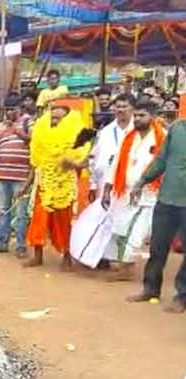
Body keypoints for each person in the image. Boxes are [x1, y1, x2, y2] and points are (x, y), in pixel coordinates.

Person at [124, 115, 186, 310]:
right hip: (167, 199)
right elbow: (160, 160)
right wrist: (142, 182)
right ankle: (150, 289)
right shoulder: (177, 129)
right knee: (157, 247)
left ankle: (182, 296)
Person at [99, 103, 165, 281]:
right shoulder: (129, 138)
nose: (136, 119)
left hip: (148, 194)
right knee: (120, 228)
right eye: (135, 115)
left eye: (141, 115)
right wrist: (107, 189)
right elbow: (115, 165)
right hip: (123, 193)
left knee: (134, 231)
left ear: (152, 116)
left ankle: (126, 268)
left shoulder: (162, 138)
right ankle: (125, 265)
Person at [69, 94, 135, 269]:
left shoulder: (140, 130)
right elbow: (94, 159)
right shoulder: (106, 132)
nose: (120, 110)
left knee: (124, 222)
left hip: (131, 184)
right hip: (105, 183)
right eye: (118, 106)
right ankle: (99, 256)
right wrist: (92, 184)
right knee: (102, 219)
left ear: (132, 109)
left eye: (124, 106)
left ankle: (123, 261)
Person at [24, 105, 89, 270]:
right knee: (38, 218)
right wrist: (28, 183)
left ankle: (67, 257)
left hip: (64, 183)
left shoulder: (77, 135)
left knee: (64, 220)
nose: (54, 120)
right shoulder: (40, 133)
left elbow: (83, 161)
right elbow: (35, 161)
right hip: (44, 180)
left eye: (58, 118)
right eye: (52, 117)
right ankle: (37, 256)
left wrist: (72, 164)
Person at [0, 95, 31, 258]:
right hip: (3, 174)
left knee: (21, 212)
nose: (9, 113)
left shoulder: (29, 121)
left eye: (12, 109)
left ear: (20, 108)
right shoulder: (1, 126)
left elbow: (33, 141)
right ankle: (2, 243)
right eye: (7, 110)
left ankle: (21, 246)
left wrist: (17, 130)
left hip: (22, 175)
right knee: (3, 210)